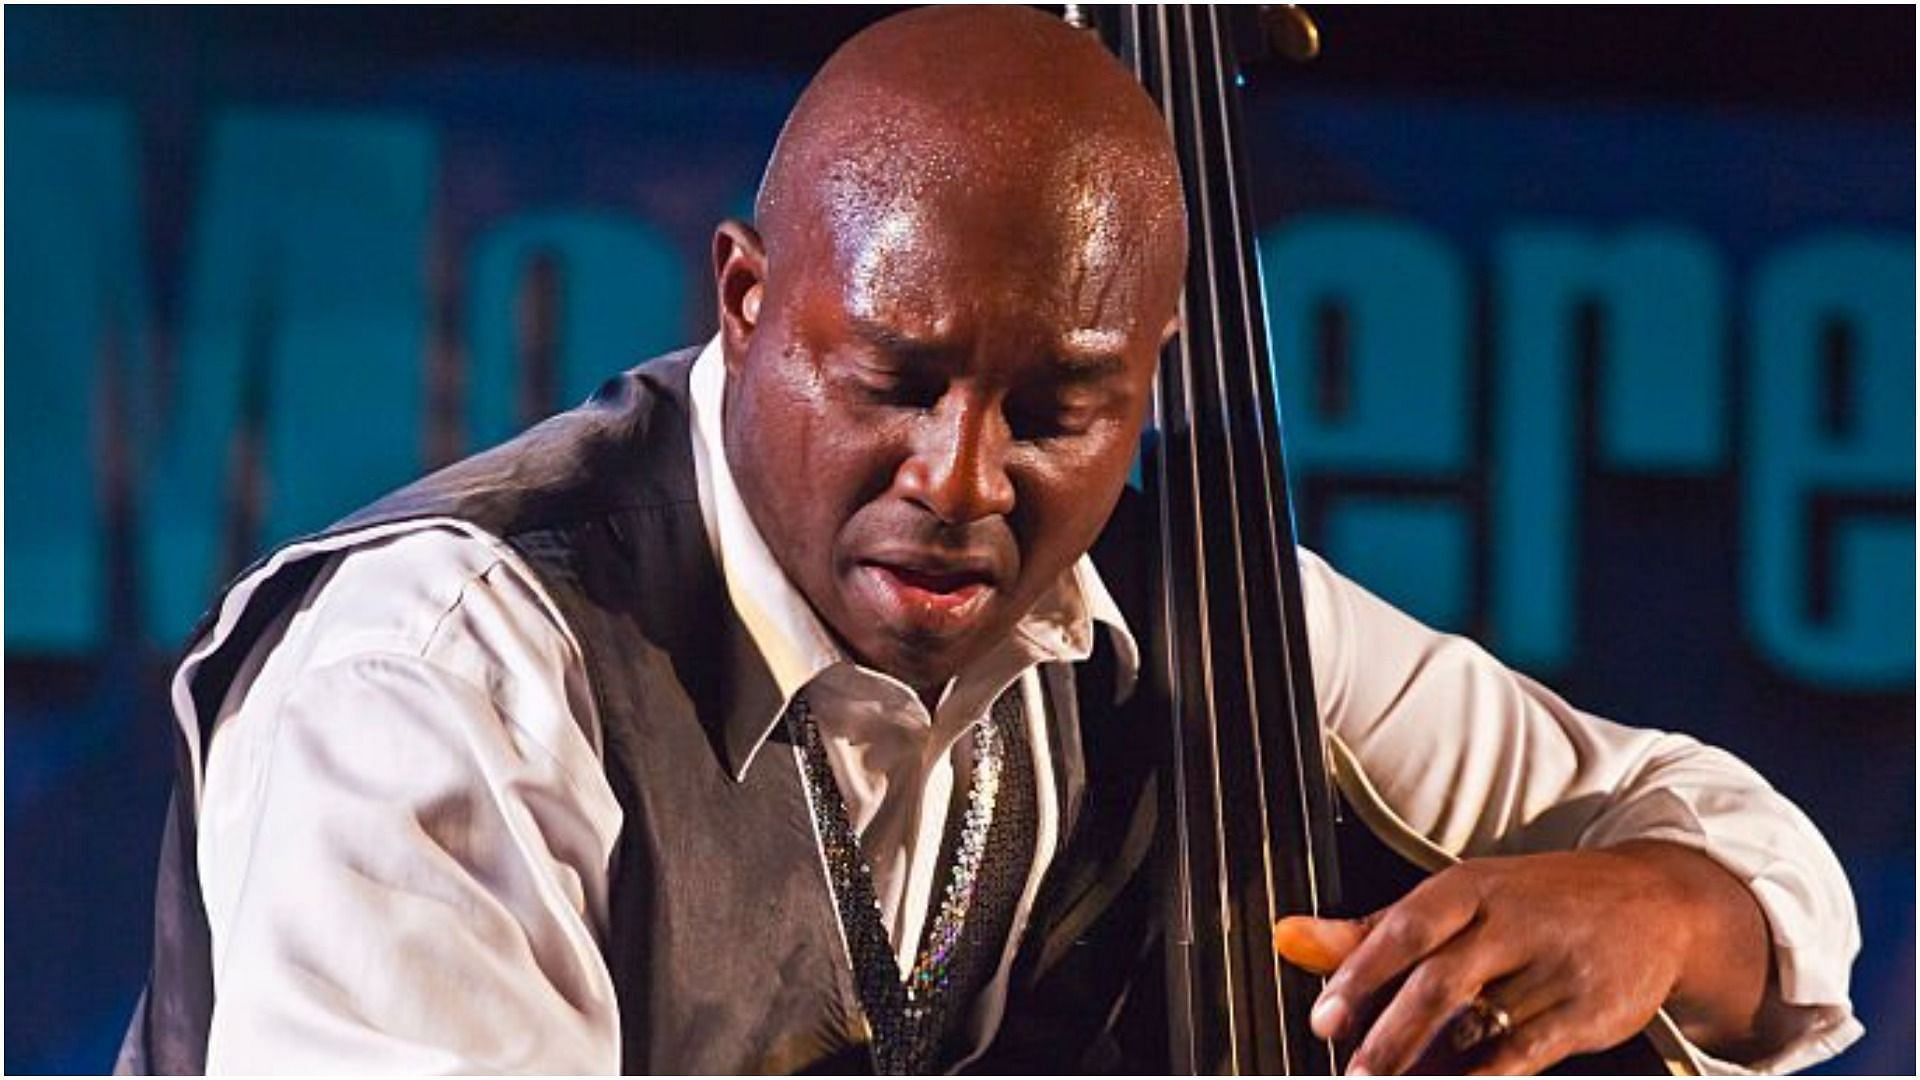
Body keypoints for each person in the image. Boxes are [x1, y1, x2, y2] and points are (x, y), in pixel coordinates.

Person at [120, 6, 1860, 1075]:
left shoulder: (1183, 616)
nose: (962, 481)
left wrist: (1648, 911)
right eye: (899, 377)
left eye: (1053, 411)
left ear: (1150, 385)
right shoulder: (440, 684)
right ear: (744, 300)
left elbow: (1769, 877)